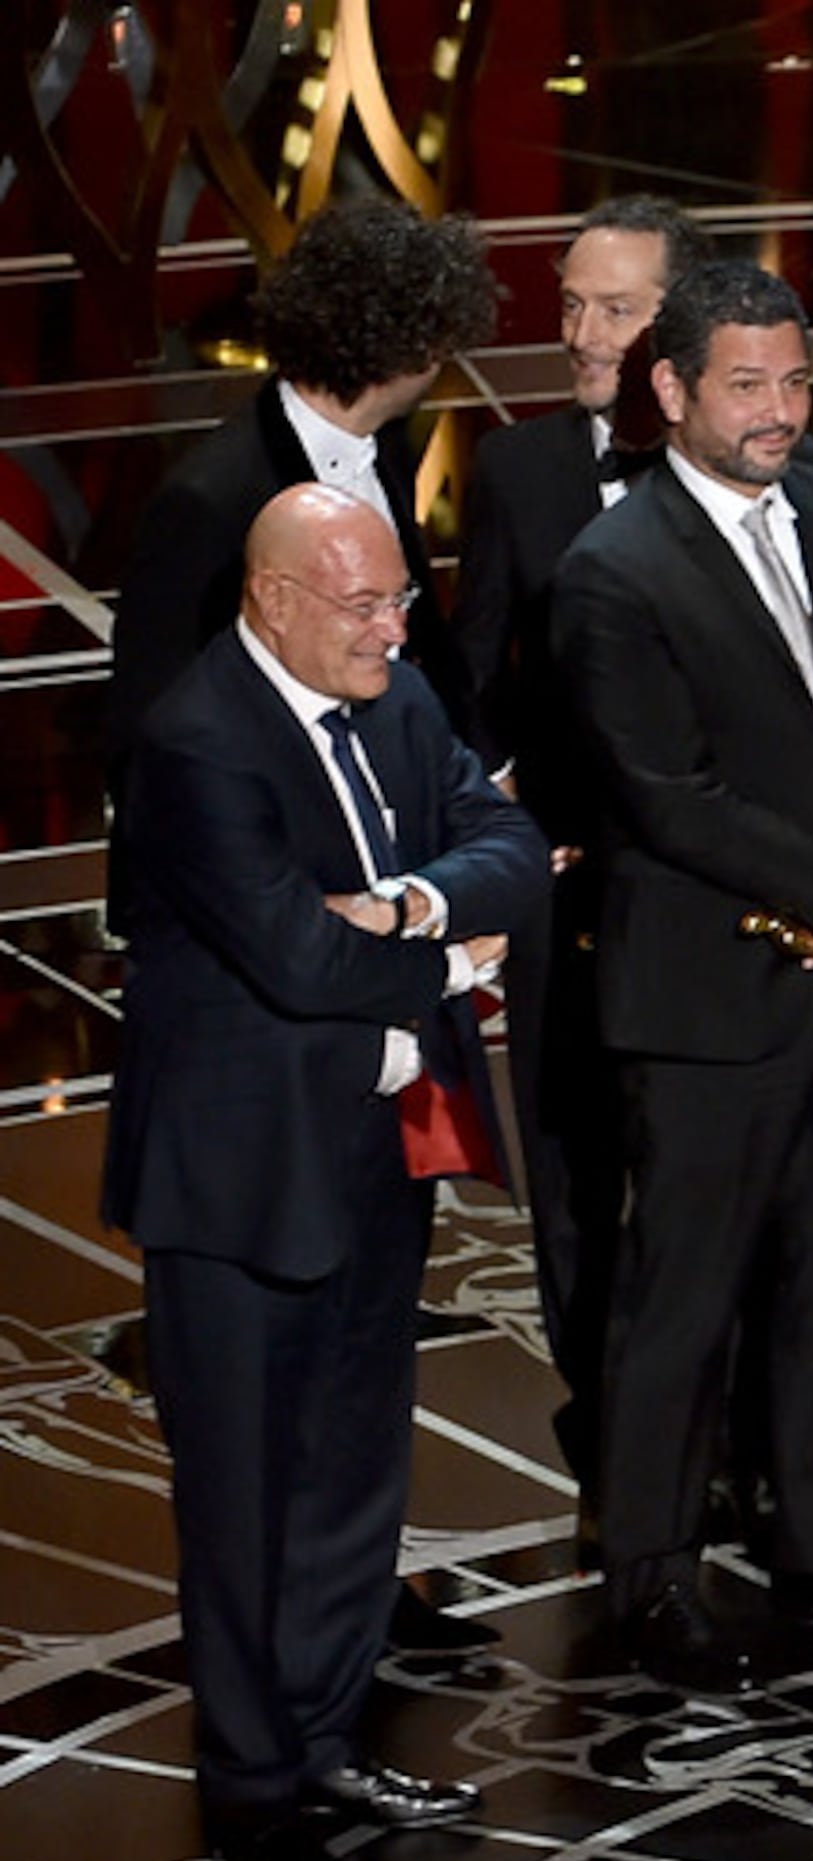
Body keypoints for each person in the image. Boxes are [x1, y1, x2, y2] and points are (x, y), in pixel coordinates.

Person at [100, 486, 548, 1861]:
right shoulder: (195, 744)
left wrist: (416, 906)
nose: (391, 628)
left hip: (373, 1150)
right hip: (238, 1180)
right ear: (273, 598)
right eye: (360, 605)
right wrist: (455, 958)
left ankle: (327, 1731)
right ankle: (251, 1782)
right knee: (245, 1493)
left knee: (355, 1467)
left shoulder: (398, 694)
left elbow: (512, 849)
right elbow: (294, 961)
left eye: (401, 599)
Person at [554, 259, 813, 1684]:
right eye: (749, 384)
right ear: (670, 391)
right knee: (683, 1299)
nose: (781, 410)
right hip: (706, 1006)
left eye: (795, 381)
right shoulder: (612, 571)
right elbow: (665, 796)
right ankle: (654, 1579)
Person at [103, 194, 508, 1661]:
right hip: (253, 1022)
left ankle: (342, 1628)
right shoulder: (221, 501)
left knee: (349, 1375)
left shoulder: (372, 465)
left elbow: (415, 715)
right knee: (264, 1403)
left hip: (369, 1000)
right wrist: (394, 929)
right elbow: (157, 752)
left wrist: (433, 882)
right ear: (403, 341)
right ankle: (283, 1699)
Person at [453, 195, 716, 1510]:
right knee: (572, 1177)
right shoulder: (516, 475)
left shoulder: (755, 462)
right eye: (567, 303)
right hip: (567, 896)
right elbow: (472, 692)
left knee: (710, 1171)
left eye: (612, 308)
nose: (578, 333)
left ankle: (727, 1442)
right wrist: (504, 820)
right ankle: (613, 1437)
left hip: (716, 898)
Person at [103, 197, 500, 765]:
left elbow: (424, 644)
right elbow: (150, 719)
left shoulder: (386, 445)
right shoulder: (207, 500)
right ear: (417, 348)